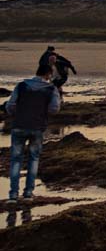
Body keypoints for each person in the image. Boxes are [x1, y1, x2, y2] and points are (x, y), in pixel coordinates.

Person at [5, 59, 61, 202]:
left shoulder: (22, 86)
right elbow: (55, 109)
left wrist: (18, 113)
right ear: (48, 74)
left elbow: (10, 105)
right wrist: (42, 112)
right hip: (37, 126)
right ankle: (28, 193)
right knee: (33, 159)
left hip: (19, 125)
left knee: (16, 160)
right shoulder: (51, 89)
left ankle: (13, 194)